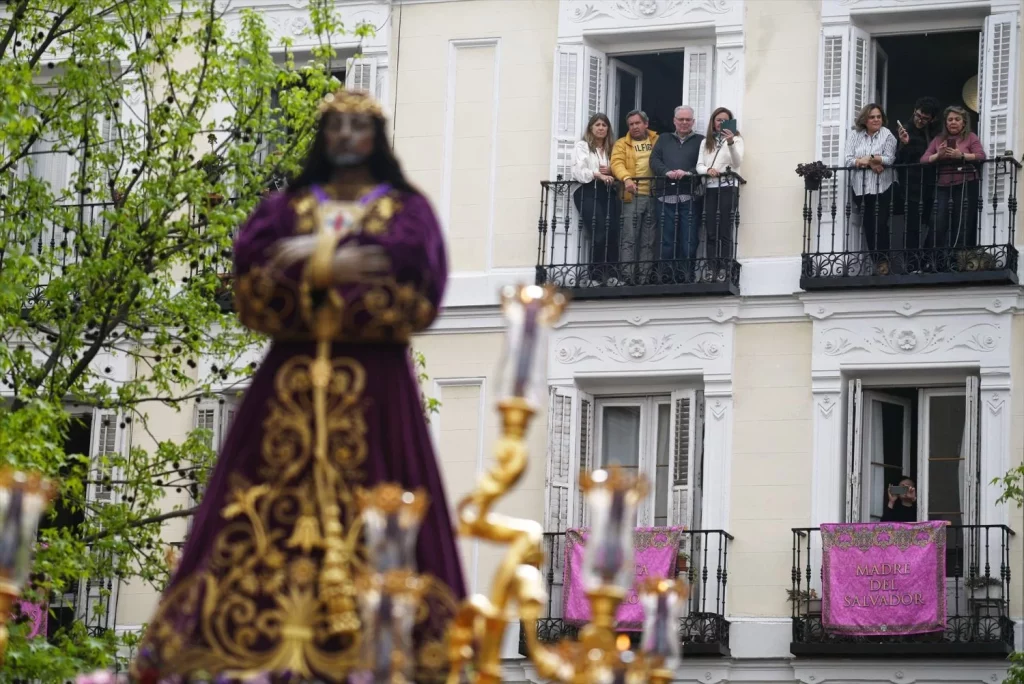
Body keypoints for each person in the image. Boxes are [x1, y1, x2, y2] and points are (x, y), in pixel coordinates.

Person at [130, 90, 465, 683]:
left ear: (376, 137)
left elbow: (417, 282)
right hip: (287, 388)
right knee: (252, 510)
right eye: (335, 126)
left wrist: (314, 262)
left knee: (385, 505)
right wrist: (330, 267)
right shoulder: (283, 209)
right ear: (322, 135)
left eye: (358, 127)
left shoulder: (406, 212)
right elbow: (252, 278)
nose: (345, 137)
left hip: (373, 391)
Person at [921, 105, 986, 259]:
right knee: (937, 222)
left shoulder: (970, 137)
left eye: (957, 119)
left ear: (964, 122)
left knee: (962, 223)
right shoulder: (938, 139)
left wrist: (961, 155)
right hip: (943, 186)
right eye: (950, 119)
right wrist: (938, 155)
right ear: (945, 123)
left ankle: (958, 260)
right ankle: (936, 260)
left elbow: (981, 156)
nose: (953, 122)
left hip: (966, 185)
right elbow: (923, 159)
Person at [650, 105, 704, 282]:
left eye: (688, 119)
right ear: (674, 121)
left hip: (689, 197)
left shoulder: (700, 141)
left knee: (688, 240)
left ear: (693, 122)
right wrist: (666, 172)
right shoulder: (664, 139)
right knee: (666, 241)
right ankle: (666, 277)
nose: (684, 123)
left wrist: (688, 173)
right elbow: (654, 159)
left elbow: (703, 163)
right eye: (681, 119)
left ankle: (685, 277)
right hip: (665, 196)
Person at [846, 103, 897, 274]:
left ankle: (884, 262)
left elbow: (889, 159)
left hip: (882, 187)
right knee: (869, 225)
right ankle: (877, 262)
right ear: (865, 120)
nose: (876, 120)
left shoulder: (887, 134)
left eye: (878, 117)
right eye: (872, 117)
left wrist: (870, 158)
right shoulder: (855, 135)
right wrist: (871, 163)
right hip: (860, 188)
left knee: (880, 224)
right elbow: (848, 160)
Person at [572, 113, 621, 286]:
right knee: (599, 232)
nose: (601, 128)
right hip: (587, 191)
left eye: (604, 125)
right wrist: (597, 174)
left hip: (607, 191)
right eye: (597, 125)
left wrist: (611, 172)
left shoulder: (612, 148)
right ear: (591, 128)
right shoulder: (583, 146)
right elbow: (578, 172)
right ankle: (595, 276)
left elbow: (619, 170)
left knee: (613, 231)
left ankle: (613, 274)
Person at [611, 110, 659, 284]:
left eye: (637, 123)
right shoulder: (622, 144)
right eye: (631, 124)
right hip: (632, 196)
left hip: (653, 197)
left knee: (649, 240)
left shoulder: (656, 140)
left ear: (645, 124)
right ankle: (628, 277)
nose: (634, 127)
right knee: (629, 238)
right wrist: (626, 179)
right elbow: (616, 163)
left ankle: (644, 278)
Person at [696, 107, 743, 275]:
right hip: (710, 188)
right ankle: (711, 268)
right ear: (713, 122)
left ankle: (724, 267)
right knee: (710, 230)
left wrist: (730, 142)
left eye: (725, 120)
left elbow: (737, 162)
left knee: (724, 229)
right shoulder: (706, 142)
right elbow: (699, 165)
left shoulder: (736, 140)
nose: (721, 123)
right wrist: (707, 170)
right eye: (718, 120)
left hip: (727, 187)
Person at [895, 97, 941, 267]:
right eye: (918, 115)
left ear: (932, 119)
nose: (920, 120)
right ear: (914, 111)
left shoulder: (935, 131)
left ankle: (928, 259)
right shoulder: (904, 129)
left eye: (925, 118)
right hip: (911, 185)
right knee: (912, 226)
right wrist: (904, 144)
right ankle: (912, 263)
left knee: (937, 222)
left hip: (932, 184)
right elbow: (897, 161)